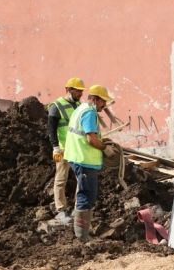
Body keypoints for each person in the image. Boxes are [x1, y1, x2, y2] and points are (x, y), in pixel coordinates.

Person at [63, 84, 113, 241]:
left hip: (78, 157)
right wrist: (105, 148)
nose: (104, 105)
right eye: (103, 101)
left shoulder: (81, 108)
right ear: (96, 99)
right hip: (83, 160)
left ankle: (82, 233)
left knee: (85, 194)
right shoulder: (89, 112)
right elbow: (91, 139)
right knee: (87, 195)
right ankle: (82, 237)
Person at [47, 77, 85, 224]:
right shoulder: (56, 106)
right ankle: (61, 209)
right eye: (78, 91)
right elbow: (51, 129)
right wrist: (55, 147)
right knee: (61, 179)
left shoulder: (79, 105)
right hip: (63, 148)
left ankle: (77, 208)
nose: (80, 94)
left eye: (81, 91)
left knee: (80, 178)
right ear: (69, 90)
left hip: (77, 148)